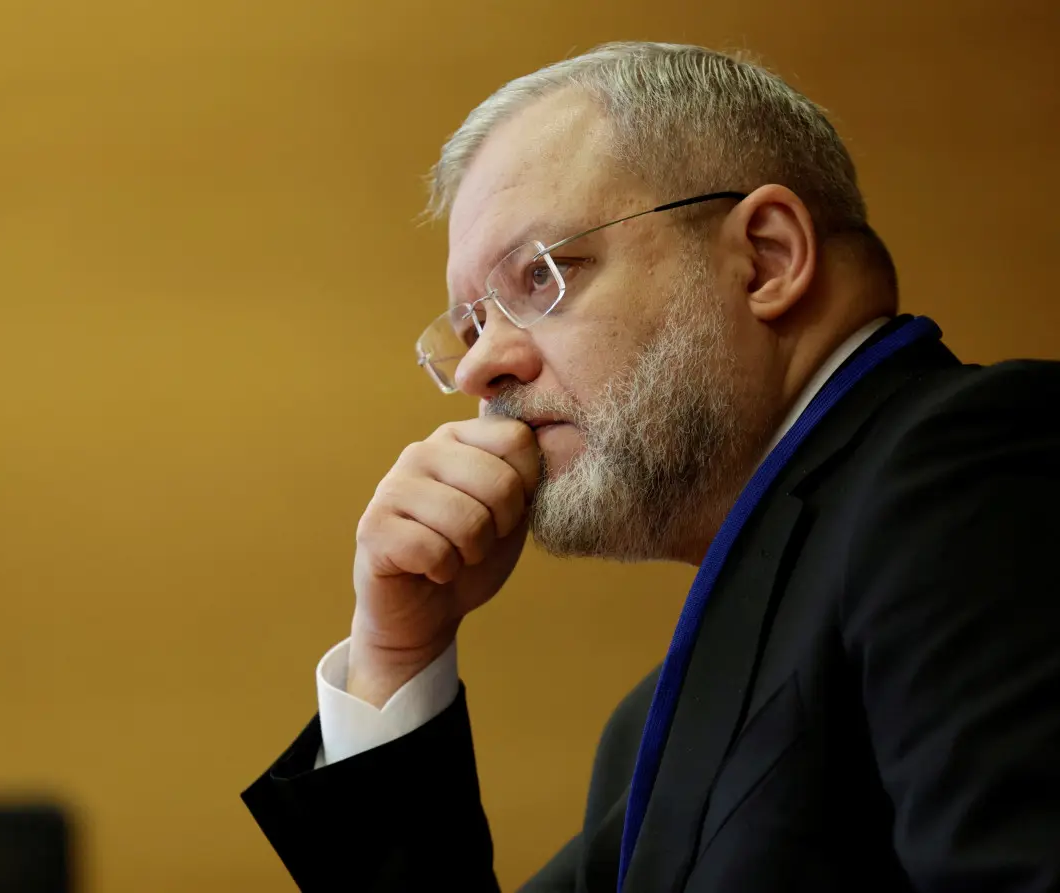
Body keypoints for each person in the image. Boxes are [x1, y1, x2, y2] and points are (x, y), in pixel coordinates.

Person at [241, 42, 1060, 892]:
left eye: (542, 276)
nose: (483, 368)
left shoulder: (970, 469)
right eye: (474, 327)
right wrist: (394, 655)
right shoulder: (650, 726)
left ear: (767, 259)